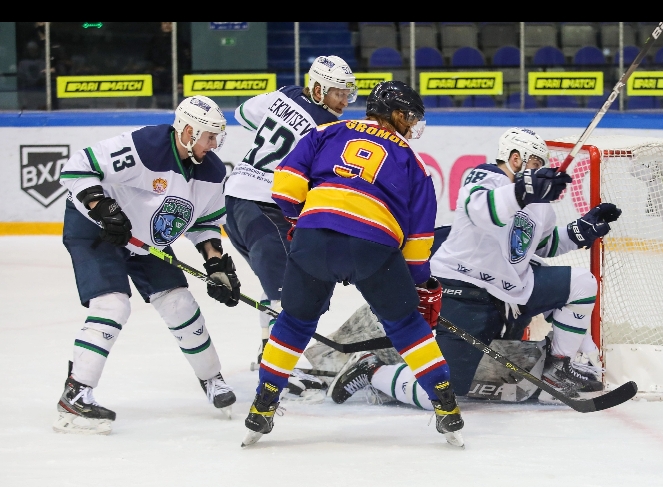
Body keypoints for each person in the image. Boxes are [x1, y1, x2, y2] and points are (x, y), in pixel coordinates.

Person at [329, 127, 621, 410]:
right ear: (515, 158)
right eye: (534, 163)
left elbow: (541, 245)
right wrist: (524, 192)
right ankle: (371, 370)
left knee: (582, 283)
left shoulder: (540, 205)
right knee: (440, 392)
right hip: (464, 292)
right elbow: (482, 210)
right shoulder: (485, 177)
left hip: (513, 290)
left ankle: (558, 370)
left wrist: (580, 230)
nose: (539, 170)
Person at [241, 81, 465, 448]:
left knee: (293, 322)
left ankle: (262, 405)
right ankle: (446, 404)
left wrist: (304, 221)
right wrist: (415, 284)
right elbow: (419, 239)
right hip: (373, 245)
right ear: (394, 114)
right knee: (406, 325)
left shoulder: (327, 131)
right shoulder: (414, 162)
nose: (412, 125)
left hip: (315, 236)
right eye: (409, 117)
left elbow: (284, 186)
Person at [54, 95, 242, 434]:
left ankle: (211, 379)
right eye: (210, 136)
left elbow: (204, 222)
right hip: (97, 229)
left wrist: (215, 264)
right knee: (112, 305)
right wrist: (102, 208)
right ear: (188, 131)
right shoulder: (145, 146)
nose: (215, 144)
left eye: (218, 136)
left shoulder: (212, 172)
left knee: (180, 304)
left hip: (144, 239)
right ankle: (75, 394)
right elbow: (77, 166)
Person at [223, 55, 357, 368]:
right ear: (319, 90)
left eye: (347, 93)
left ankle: (268, 351)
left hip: (235, 202)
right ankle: (278, 365)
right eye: (338, 93)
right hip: (265, 207)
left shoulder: (287, 94)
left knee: (278, 285)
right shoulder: (328, 128)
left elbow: (243, 113)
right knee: (289, 290)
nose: (344, 100)